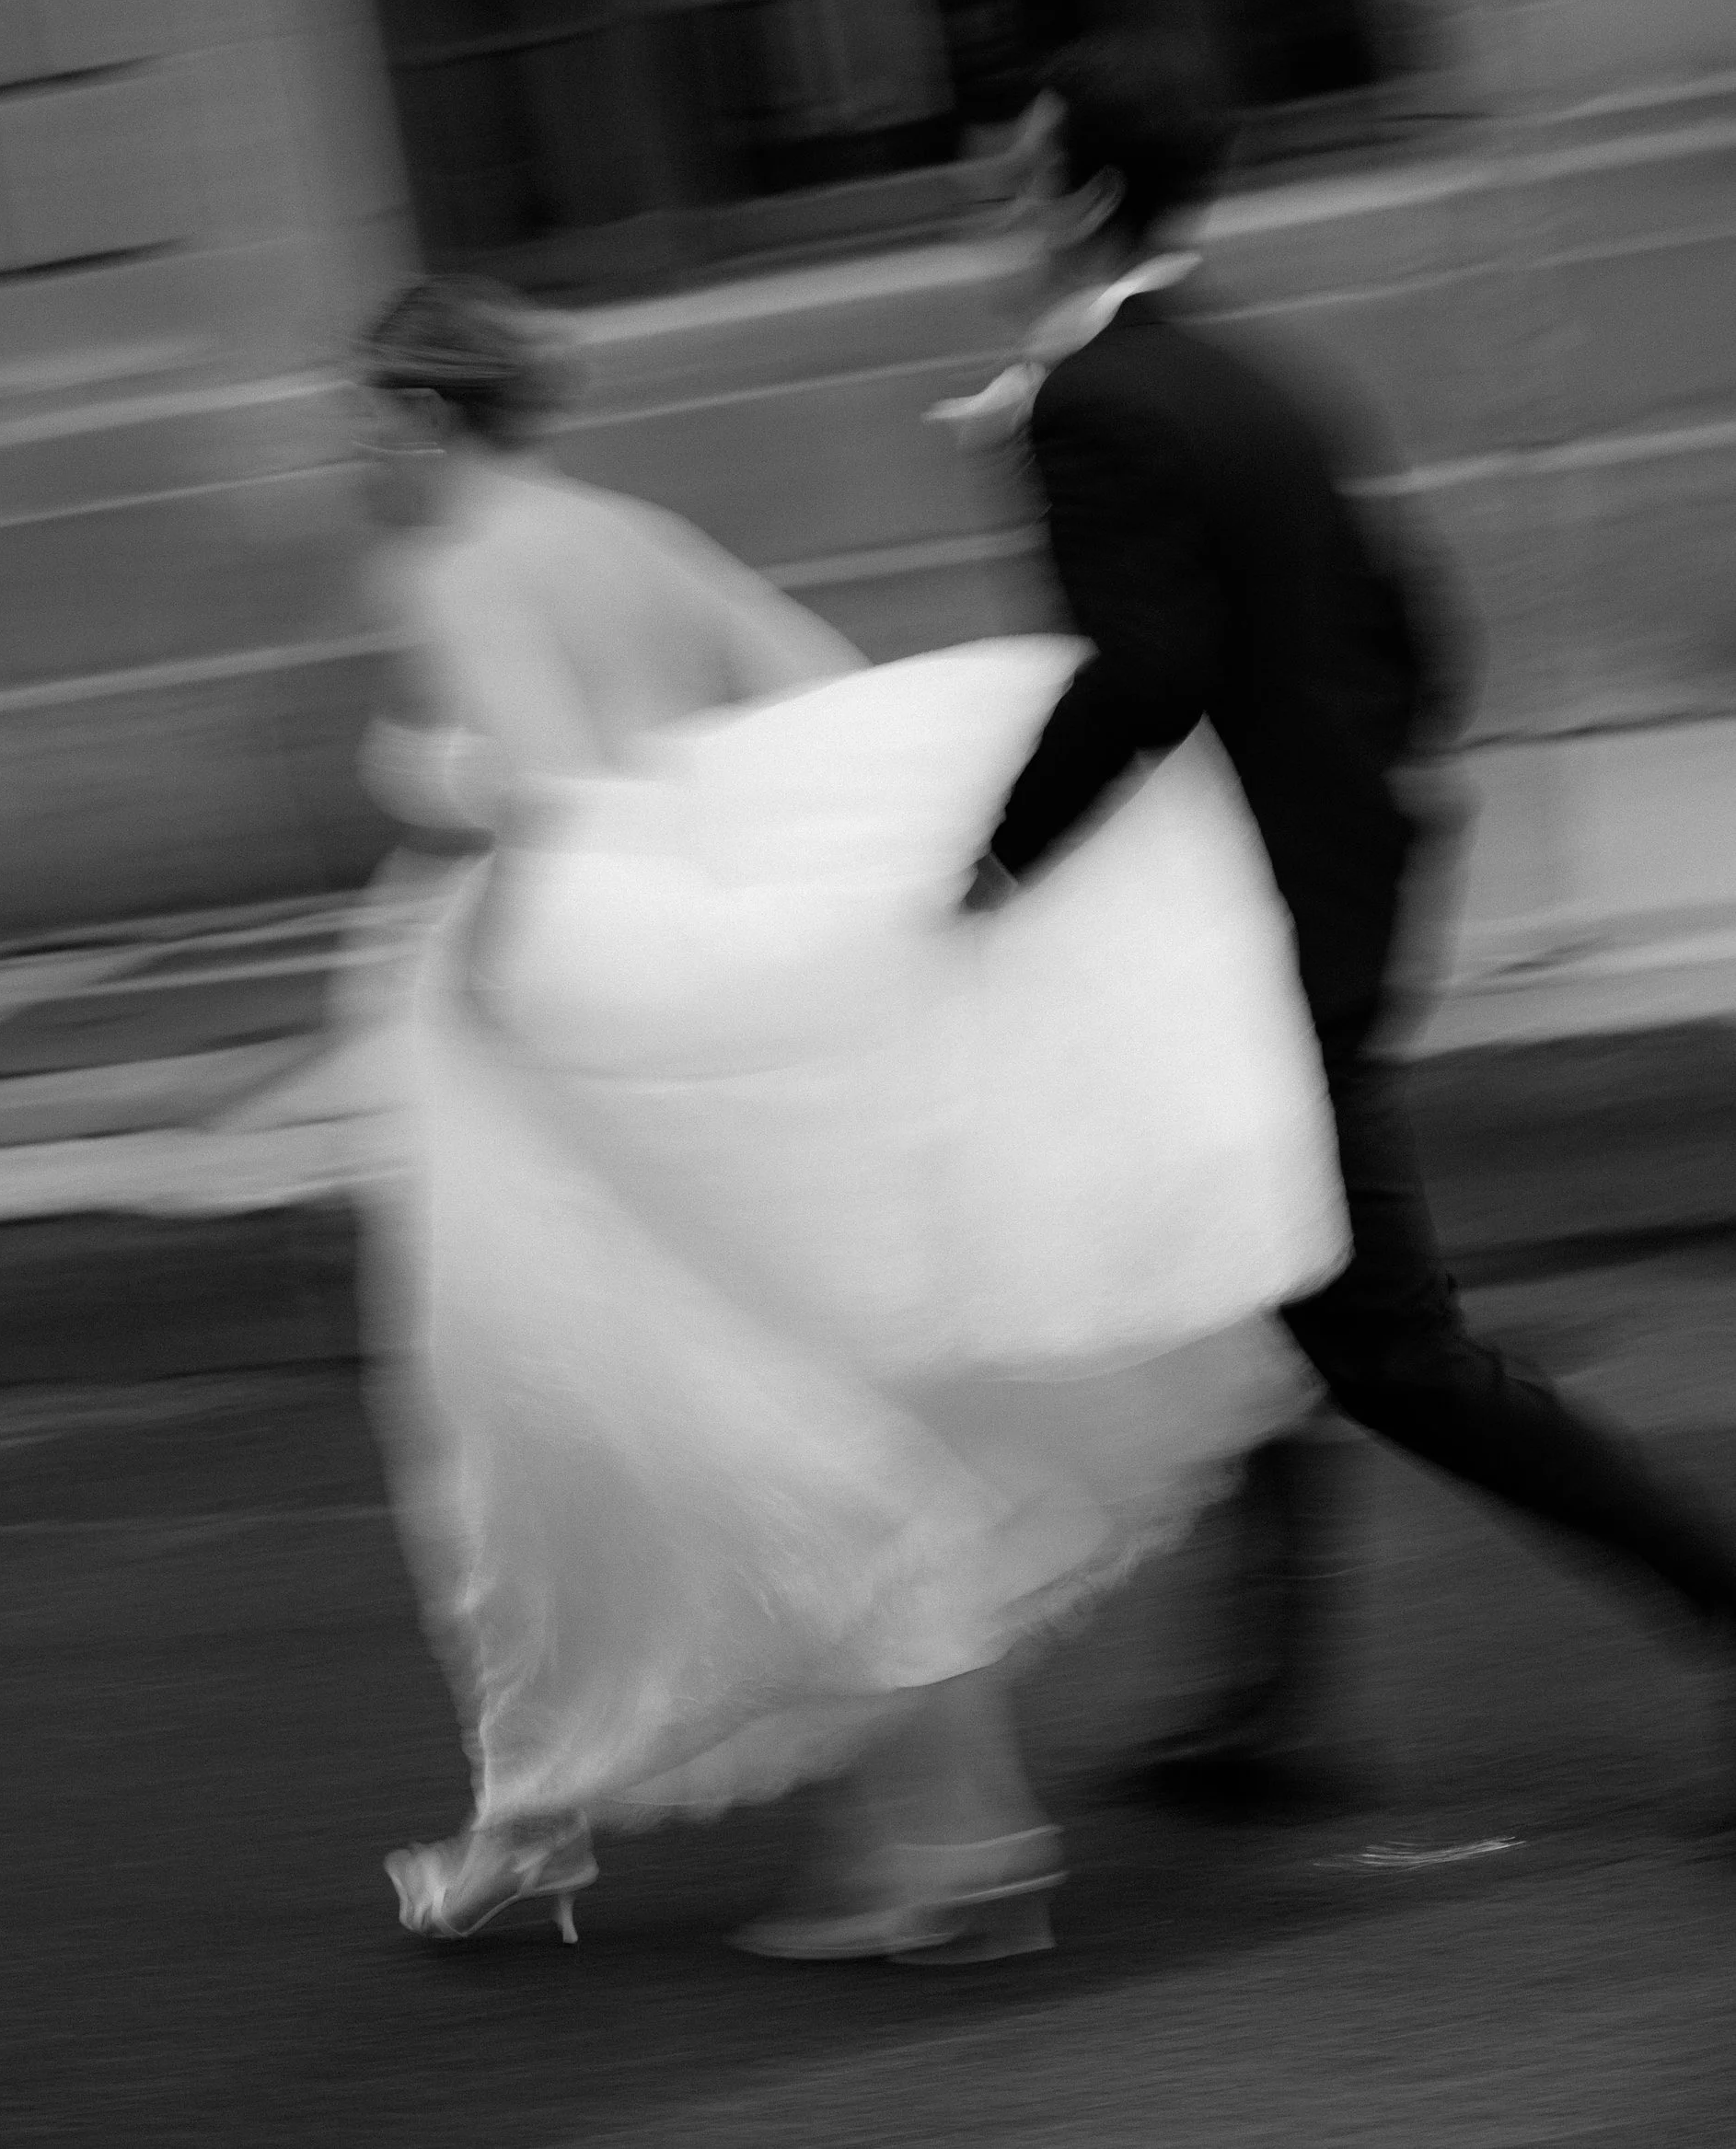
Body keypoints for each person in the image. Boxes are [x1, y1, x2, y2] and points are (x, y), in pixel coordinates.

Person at [345, 273, 1349, 1961]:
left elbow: (534, 789)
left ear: (429, 416)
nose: (360, 447)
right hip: (715, 967)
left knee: (639, 1404)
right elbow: (810, 676)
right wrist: (749, 861)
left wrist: (449, 842)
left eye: (372, 414)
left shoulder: (449, 559)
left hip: (584, 996)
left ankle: (691, 1828)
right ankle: (926, 1841)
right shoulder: (629, 529)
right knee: (802, 1376)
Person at [954, 32, 1736, 1809]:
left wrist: (999, 864)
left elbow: (1141, 672)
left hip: (1271, 951)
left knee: (1388, 1348)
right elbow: (1417, 635)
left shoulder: (1096, 403)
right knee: (1253, 1291)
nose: (989, 215)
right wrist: (1338, 828)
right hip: (1342, 898)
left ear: (1078, 197)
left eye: (1008, 181)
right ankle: (1259, 1708)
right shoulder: (1259, 371)